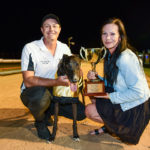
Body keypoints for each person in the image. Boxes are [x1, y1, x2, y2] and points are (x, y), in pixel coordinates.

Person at [20, 13, 85, 141]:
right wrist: (56, 82)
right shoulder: (30, 48)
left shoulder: (64, 48)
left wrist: (78, 74)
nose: (51, 29)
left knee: (82, 113)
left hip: (57, 91)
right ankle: (40, 121)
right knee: (41, 98)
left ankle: (48, 111)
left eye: (55, 26)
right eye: (47, 26)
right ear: (42, 30)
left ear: (59, 29)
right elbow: (28, 81)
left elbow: (72, 67)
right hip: (35, 91)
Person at [85, 18, 150, 144]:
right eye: (104, 33)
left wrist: (108, 96)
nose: (108, 38)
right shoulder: (110, 55)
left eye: (112, 34)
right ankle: (109, 125)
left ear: (120, 37)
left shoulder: (125, 58)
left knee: (90, 110)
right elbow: (115, 83)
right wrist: (97, 78)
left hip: (137, 107)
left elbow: (139, 92)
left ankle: (113, 127)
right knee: (90, 90)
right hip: (127, 96)